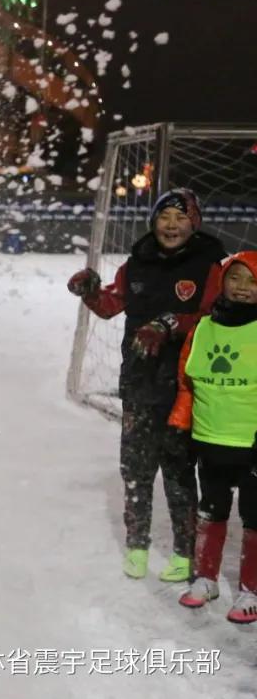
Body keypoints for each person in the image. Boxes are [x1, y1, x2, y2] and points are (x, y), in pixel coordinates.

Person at [67, 188, 225, 581]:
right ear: (153, 222)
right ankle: (137, 544)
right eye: (164, 218)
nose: (171, 226)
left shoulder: (209, 265)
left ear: (194, 223)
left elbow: (214, 317)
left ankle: (184, 552)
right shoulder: (137, 263)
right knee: (135, 467)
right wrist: (91, 292)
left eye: (180, 218)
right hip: (139, 380)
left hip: (185, 386)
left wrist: (171, 324)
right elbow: (111, 305)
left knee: (178, 469)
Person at [169, 251, 257, 623]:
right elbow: (186, 384)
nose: (243, 287)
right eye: (235, 278)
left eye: (253, 281)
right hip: (210, 439)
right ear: (222, 281)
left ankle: (251, 590)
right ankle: (207, 578)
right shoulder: (203, 328)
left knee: (254, 519)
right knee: (211, 510)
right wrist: (180, 429)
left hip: (251, 445)